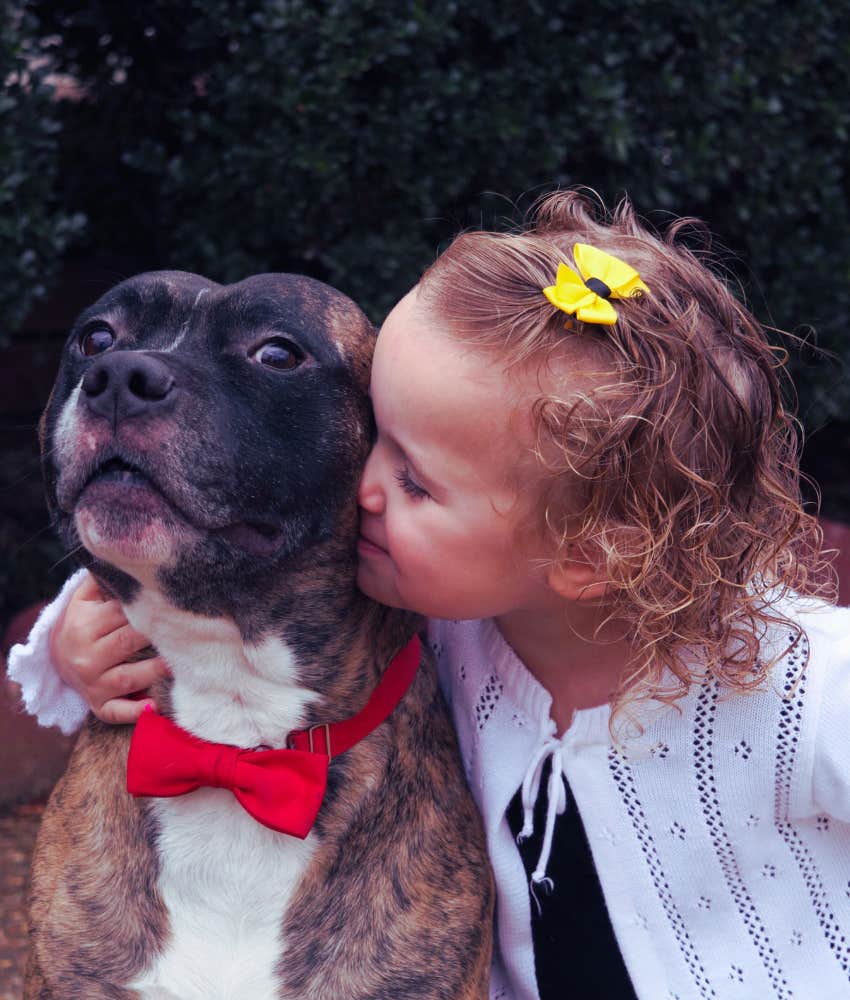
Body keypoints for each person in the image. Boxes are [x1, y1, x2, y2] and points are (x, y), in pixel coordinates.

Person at [9, 190, 850, 1000]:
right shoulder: (451, 630)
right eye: (378, 437)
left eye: (413, 477)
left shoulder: (806, 684)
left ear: (591, 549)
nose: (367, 489)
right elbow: (220, 581)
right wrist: (66, 639)